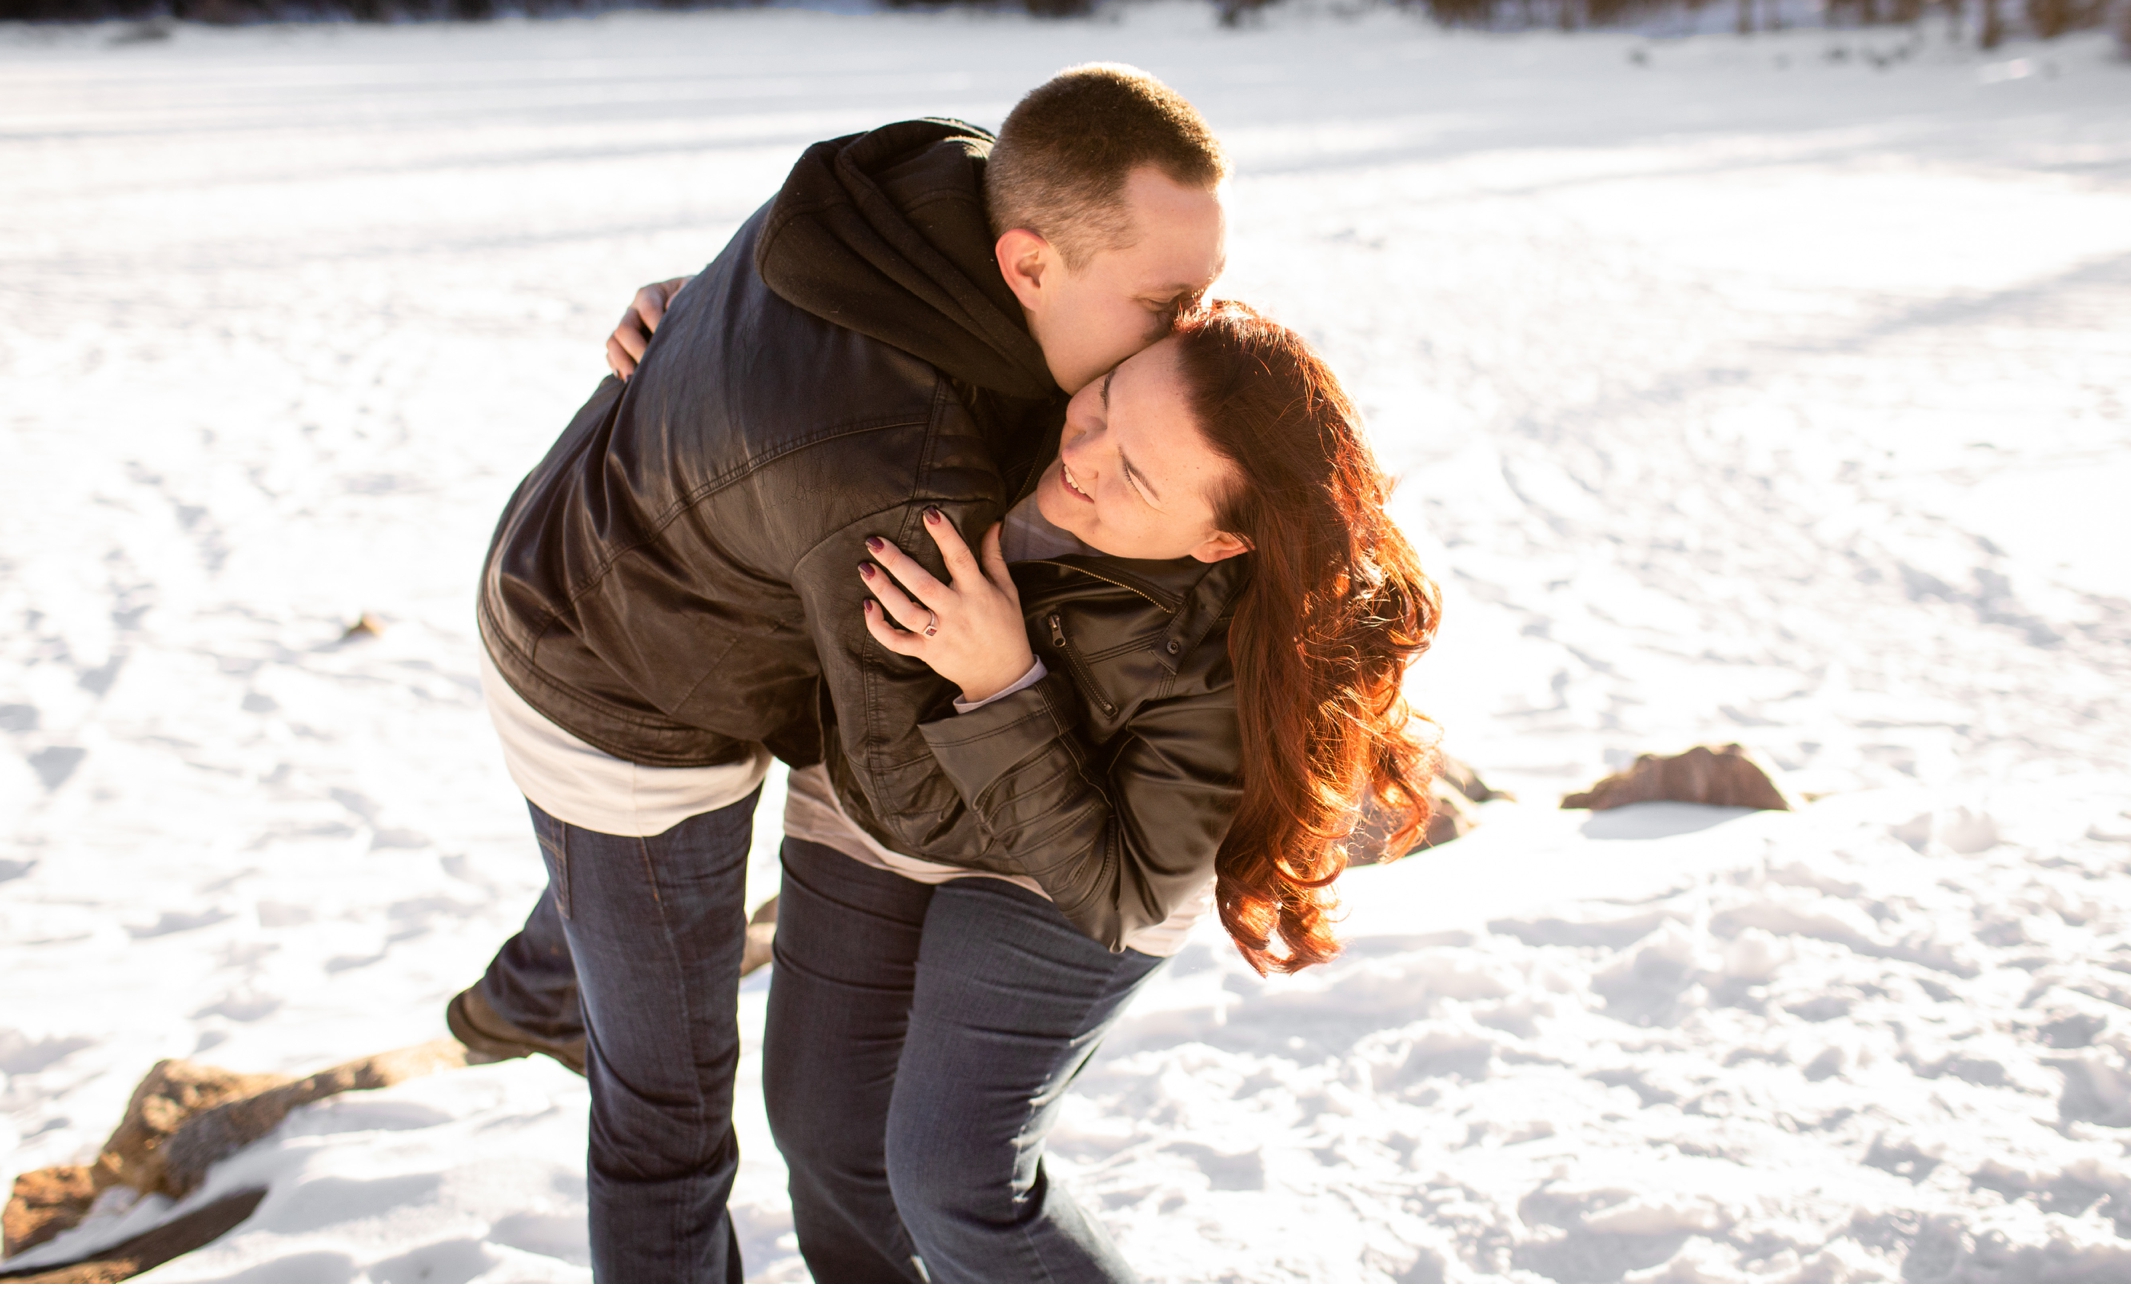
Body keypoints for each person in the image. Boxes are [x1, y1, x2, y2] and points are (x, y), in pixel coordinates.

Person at [450, 66, 1231, 1281]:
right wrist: (1004, 676)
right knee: (666, 1110)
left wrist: (703, 319)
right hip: (619, 684)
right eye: (1165, 300)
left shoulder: (918, 171)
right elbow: (902, 797)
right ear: (1028, 262)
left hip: (654, 554)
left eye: (1206, 288)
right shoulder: (901, 471)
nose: (1192, 330)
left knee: (634, 927)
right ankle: (567, 974)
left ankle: (554, 968)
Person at [760, 300, 1442, 1281]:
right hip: (888, 785)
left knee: (951, 1175)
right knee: (822, 1129)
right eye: (1108, 403)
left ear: (1218, 542)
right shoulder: (1047, 365)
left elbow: (1120, 887)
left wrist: (1001, 682)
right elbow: (853, 296)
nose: (1082, 454)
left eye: (1130, 476)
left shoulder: (1230, 675)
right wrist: (697, 309)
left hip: (1082, 858)